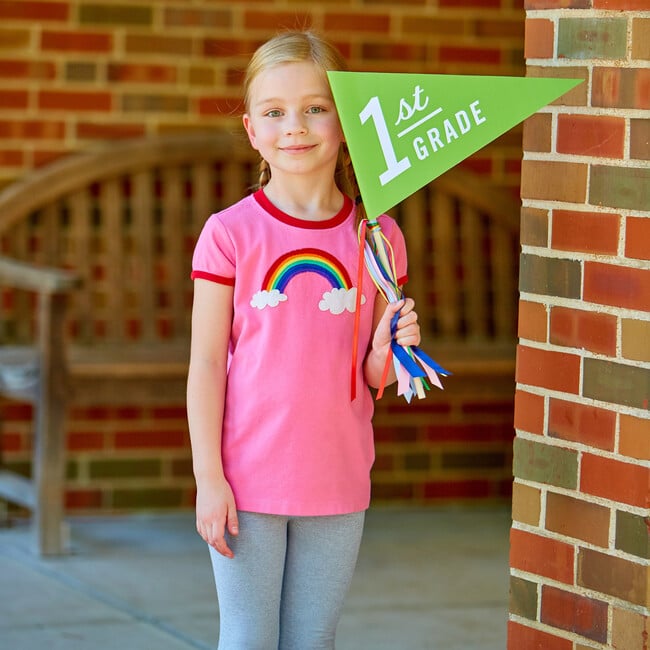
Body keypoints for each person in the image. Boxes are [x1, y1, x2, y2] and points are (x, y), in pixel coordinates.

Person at [186, 30, 421, 650]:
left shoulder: (378, 238)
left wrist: (392, 347)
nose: (296, 125)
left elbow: (370, 372)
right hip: (247, 480)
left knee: (314, 640)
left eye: (316, 107)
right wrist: (209, 477)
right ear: (252, 129)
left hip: (339, 475)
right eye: (275, 112)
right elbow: (208, 365)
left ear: (344, 121)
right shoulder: (230, 234)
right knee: (248, 638)